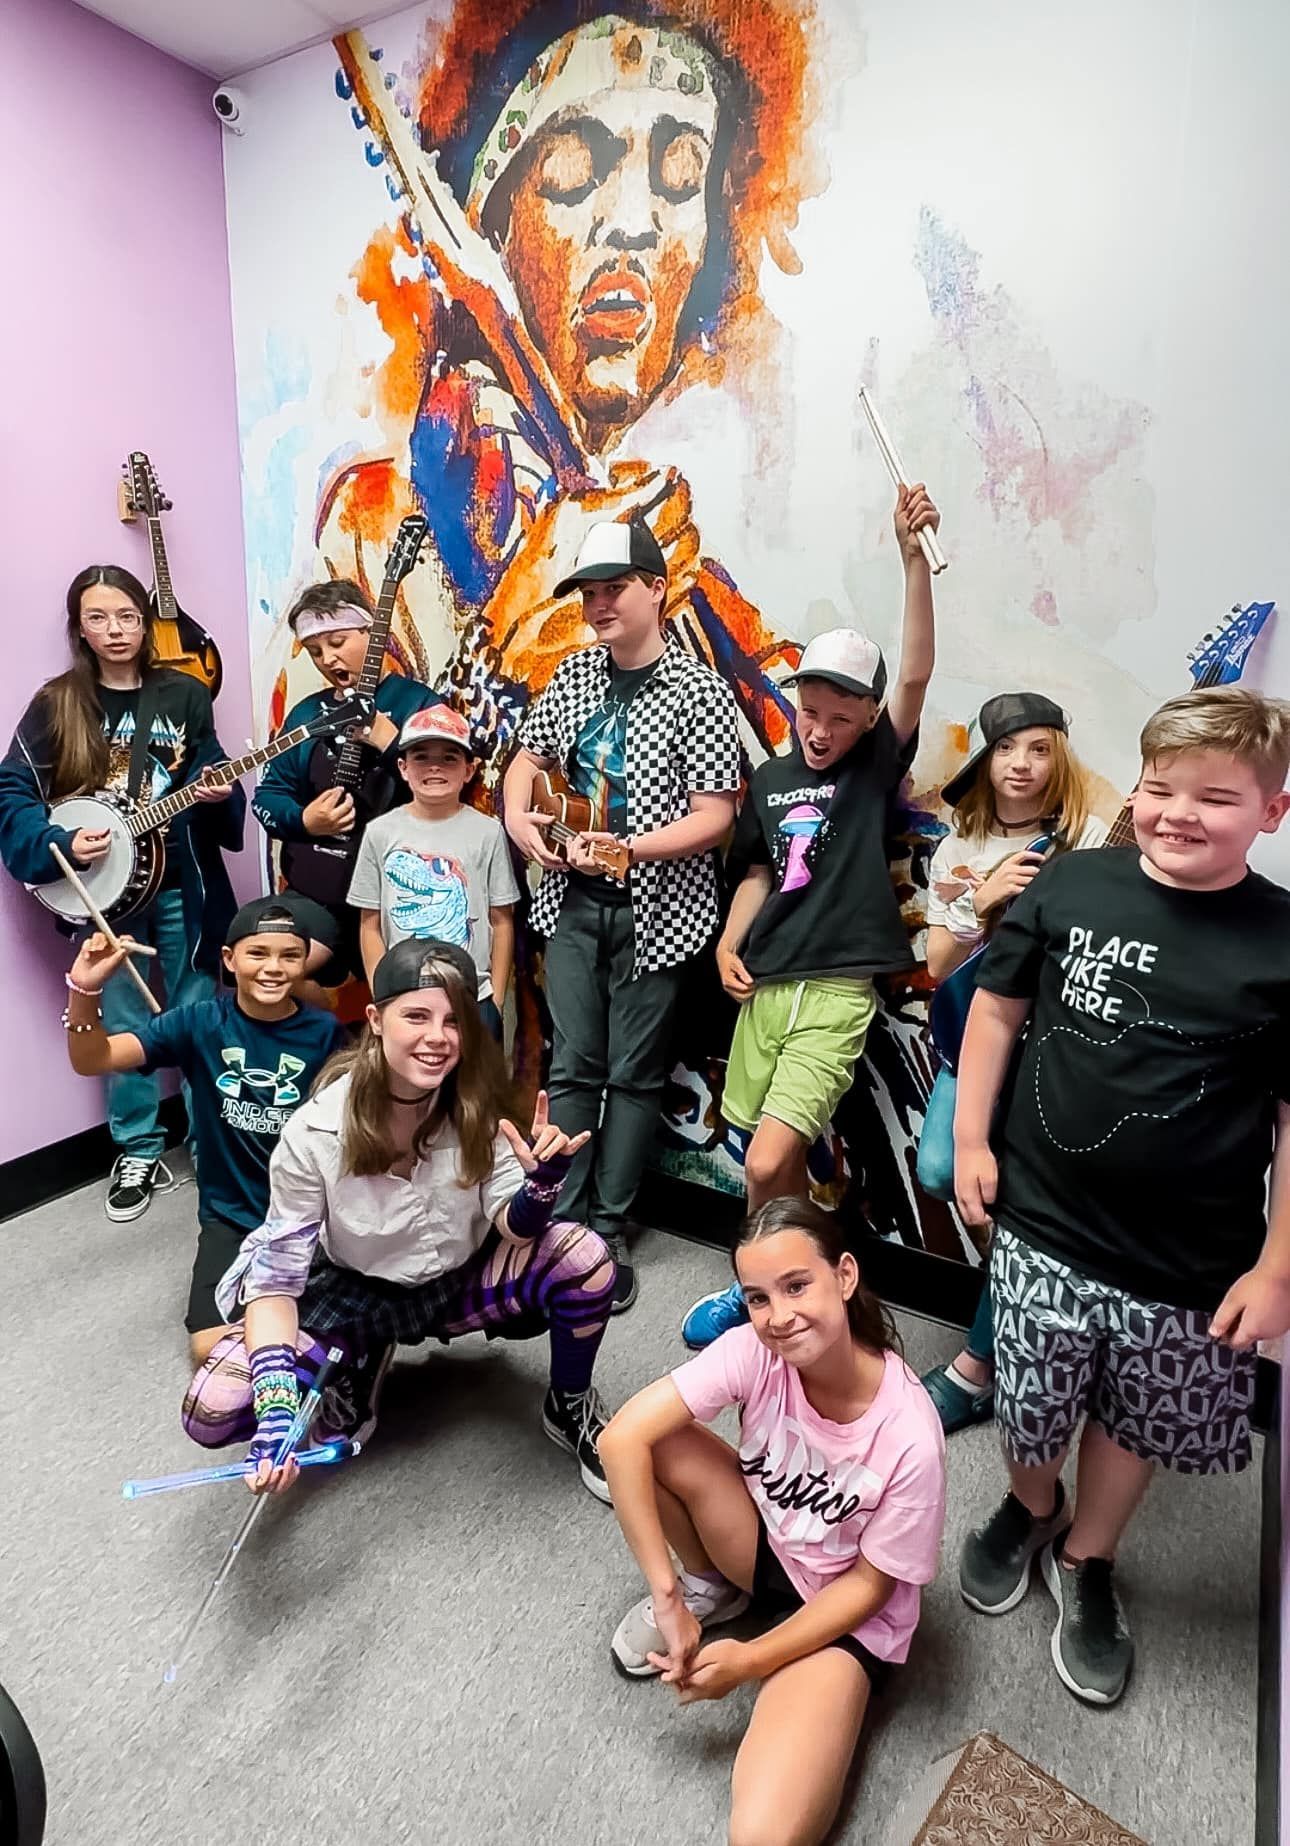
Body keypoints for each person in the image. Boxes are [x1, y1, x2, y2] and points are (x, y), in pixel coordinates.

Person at [955, 685, 1290, 1706]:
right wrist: (970, 1135)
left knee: (1137, 1421)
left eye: (1216, 797)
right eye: (1159, 786)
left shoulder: (1280, 942)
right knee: (1029, 1401)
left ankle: (1088, 1558)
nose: (1180, 811)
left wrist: (1279, 1266)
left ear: (1272, 811)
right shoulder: (1072, 889)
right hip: (1044, 1221)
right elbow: (998, 1012)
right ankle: (1030, 1504)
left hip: (1192, 1256)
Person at [181, 938, 618, 1501]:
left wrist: (541, 1187)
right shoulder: (314, 1132)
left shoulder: (479, 1107)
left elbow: (517, 1228)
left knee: (584, 1258)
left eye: (454, 1021)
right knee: (211, 1408)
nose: (439, 1038)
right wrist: (275, 1412)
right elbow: (274, 1285)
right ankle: (359, 1359)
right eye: (417, 1015)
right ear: (375, 1019)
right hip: (352, 1295)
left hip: (458, 1282)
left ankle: (570, 1403)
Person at [599, 1196, 945, 1846]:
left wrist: (752, 1661)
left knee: (762, 1837)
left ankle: (770, 1640)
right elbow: (620, 1440)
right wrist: (670, 1599)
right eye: (758, 1298)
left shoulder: (911, 1434)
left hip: (848, 1615)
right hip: (772, 1545)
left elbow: (870, 1589)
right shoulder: (752, 1351)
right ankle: (709, 1587)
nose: (778, 1318)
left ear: (844, 1276)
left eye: (796, 1286)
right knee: (657, 1441)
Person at [680, 485, 939, 1350]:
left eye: (840, 715)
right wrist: (727, 939)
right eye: (808, 711)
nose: (821, 728)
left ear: (867, 720)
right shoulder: (768, 781)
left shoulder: (870, 769)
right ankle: (790, 1284)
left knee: (761, 1165)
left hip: (834, 992)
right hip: (765, 985)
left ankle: (762, 1287)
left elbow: (913, 672)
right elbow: (755, 870)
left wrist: (912, 557)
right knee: (765, 1152)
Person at [502, 518, 741, 1313]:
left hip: (660, 915)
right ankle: (562, 1224)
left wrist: (632, 850)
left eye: (615, 588)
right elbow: (525, 763)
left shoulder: (700, 694)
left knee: (635, 1077)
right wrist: (517, 820)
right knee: (572, 1067)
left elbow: (717, 815)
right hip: (570, 905)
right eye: (590, 593)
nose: (599, 605)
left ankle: (607, 1232)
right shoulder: (571, 677)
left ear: (655, 589)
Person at [0, 565, 244, 1222]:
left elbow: (211, 773)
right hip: (106, 897)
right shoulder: (58, 703)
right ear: (79, 626)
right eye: (100, 617)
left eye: (128, 616)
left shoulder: (186, 696)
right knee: (124, 1021)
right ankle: (138, 1145)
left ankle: (213, 1138)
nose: (116, 630)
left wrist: (222, 789)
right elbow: (12, 790)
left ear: (146, 622)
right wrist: (56, 843)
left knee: (199, 1011)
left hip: (184, 885)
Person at [917, 692, 1107, 1433]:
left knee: (1026, 1202)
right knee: (941, 1172)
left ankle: (987, 1358)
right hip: (973, 1041)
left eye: (1038, 748)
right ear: (984, 760)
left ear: (1059, 755)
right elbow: (936, 964)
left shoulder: (1089, 835)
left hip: (1054, 1056)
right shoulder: (958, 846)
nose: (1021, 764)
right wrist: (982, 901)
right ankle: (1033, 1301)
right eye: (1005, 749)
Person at [62, 898, 348, 1362]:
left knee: (340, 1326)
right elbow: (91, 1059)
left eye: (289, 956)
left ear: (303, 963)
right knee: (207, 1349)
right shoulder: (199, 1024)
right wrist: (85, 989)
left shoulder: (326, 1033)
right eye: (257, 954)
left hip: (309, 1214)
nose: (273, 968)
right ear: (230, 960)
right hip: (231, 1215)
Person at [251, 579, 442, 980]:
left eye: (338, 642)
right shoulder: (307, 714)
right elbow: (268, 796)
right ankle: (325, 1036)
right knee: (266, 969)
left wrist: (391, 742)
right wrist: (304, 821)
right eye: (316, 651)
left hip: (402, 892)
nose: (327, 659)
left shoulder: (419, 703)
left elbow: (445, 794)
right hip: (318, 890)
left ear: (371, 635)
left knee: (409, 991)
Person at [347, 704, 520, 1042]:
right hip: (405, 997)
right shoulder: (380, 832)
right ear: (403, 767)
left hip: (474, 999)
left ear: (470, 769)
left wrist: (495, 999)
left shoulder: (488, 832)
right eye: (422, 756)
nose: (435, 767)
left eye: (450, 758)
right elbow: (370, 924)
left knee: (477, 1093)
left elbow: (501, 921)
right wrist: (384, 994)